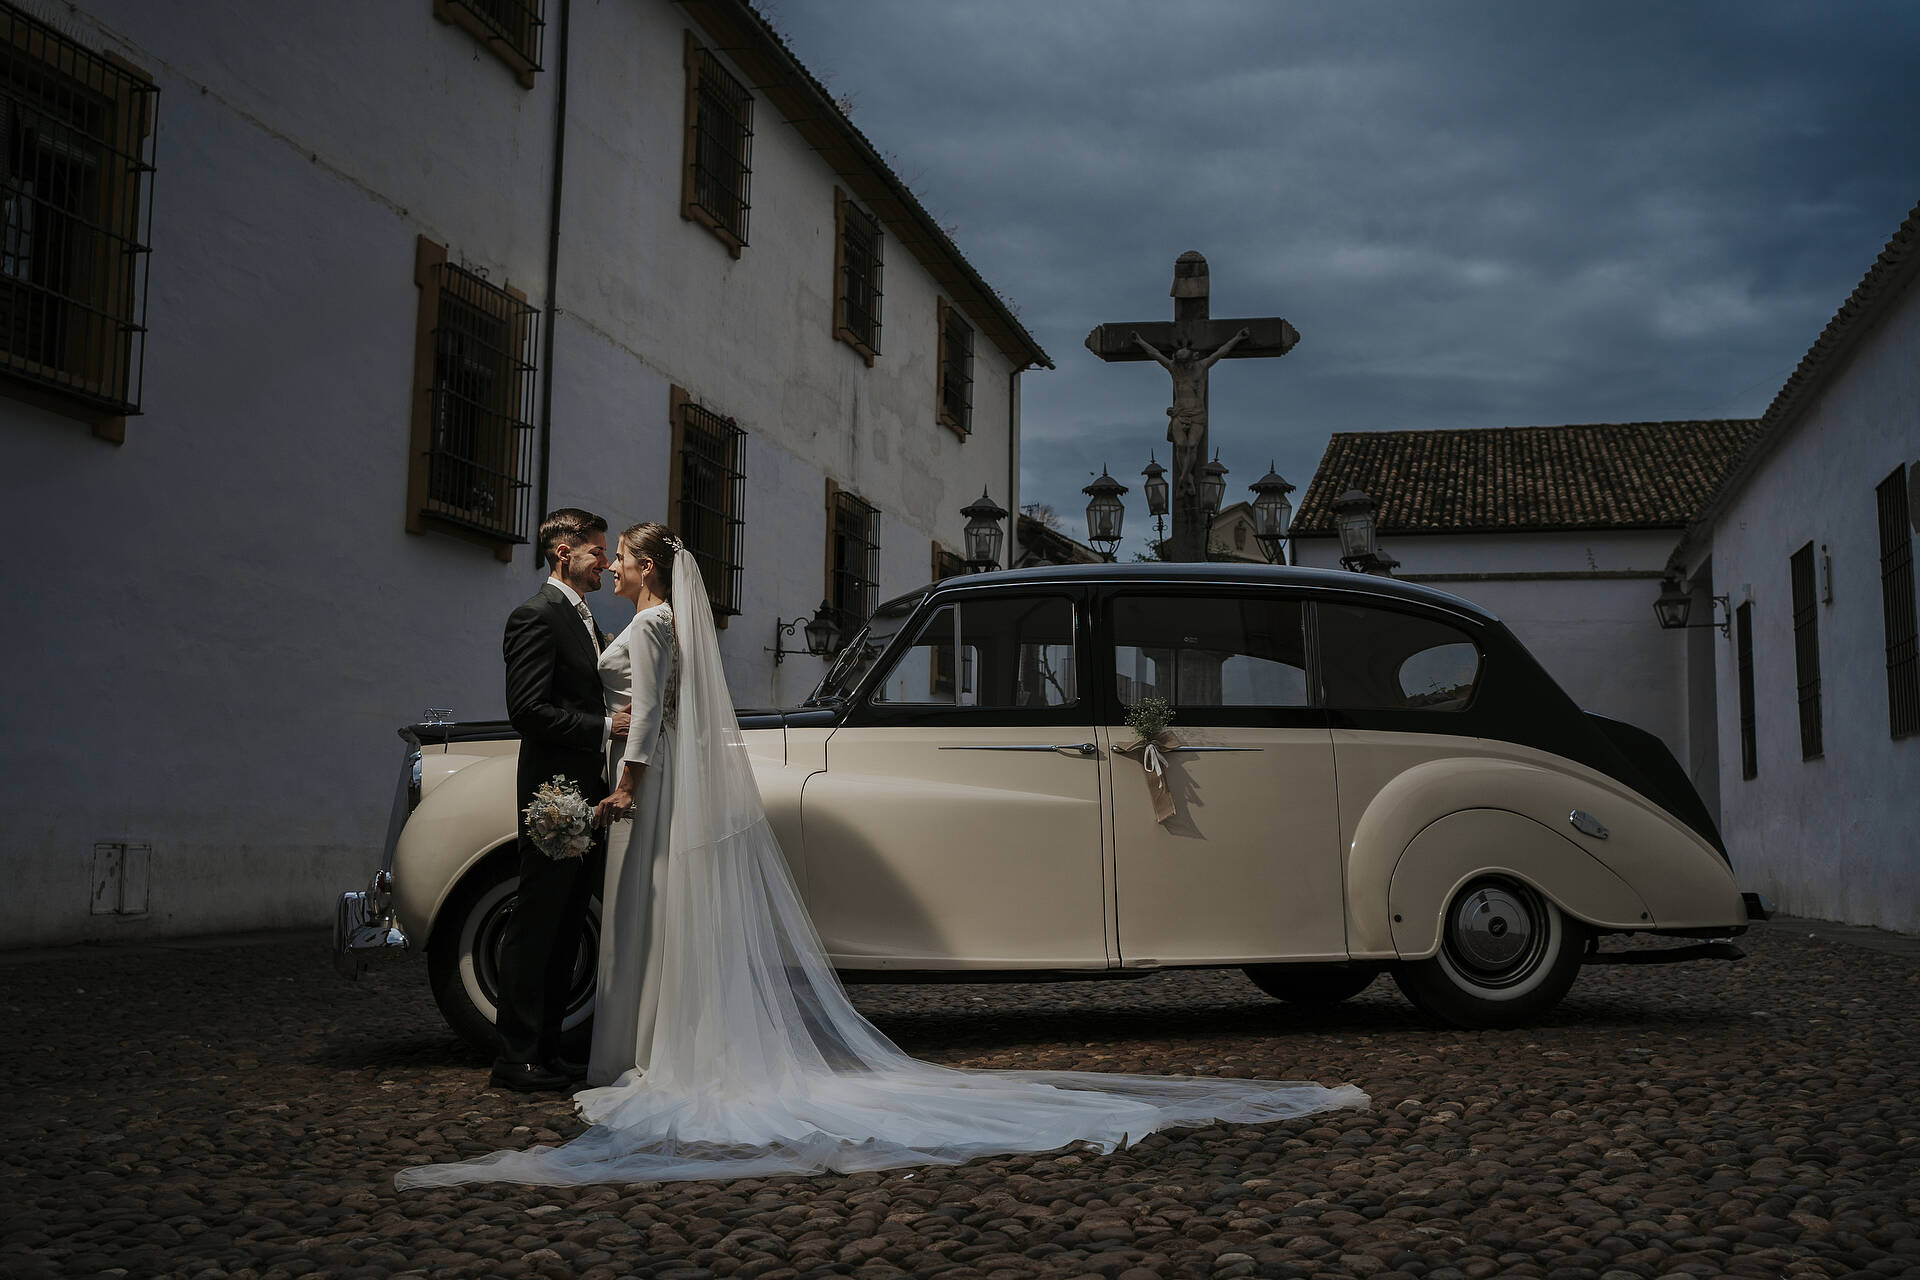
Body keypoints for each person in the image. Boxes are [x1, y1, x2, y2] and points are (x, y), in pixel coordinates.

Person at [398, 524, 1365, 1187]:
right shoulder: (644, 624)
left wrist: (627, 772)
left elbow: (646, 714)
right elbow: (639, 705)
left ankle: (614, 1043)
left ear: (645, 570)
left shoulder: (647, 625)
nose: (610, 565)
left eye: (621, 557)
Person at [490, 508, 631, 1093]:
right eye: (595, 551)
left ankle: (548, 1051)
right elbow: (526, 710)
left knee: (568, 923)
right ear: (561, 553)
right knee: (536, 923)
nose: (603, 560)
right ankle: (515, 1056)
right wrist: (604, 726)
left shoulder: (583, 618)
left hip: (587, 792)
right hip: (554, 795)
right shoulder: (535, 616)